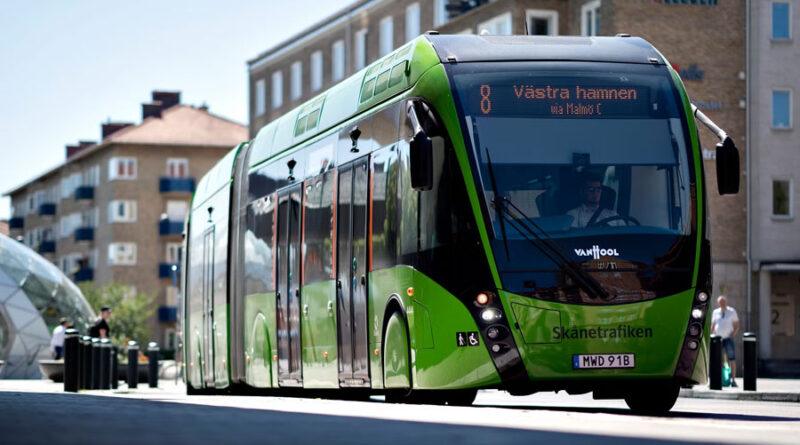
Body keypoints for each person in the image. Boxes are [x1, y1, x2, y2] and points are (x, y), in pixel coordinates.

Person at [711, 295, 740, 387]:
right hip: (717, 339)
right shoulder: (715, 312)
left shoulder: (732, 311)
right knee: (716, 359)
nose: (722, 303)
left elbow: (736, 325)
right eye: (720, 302)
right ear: (718, 303)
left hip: (728, 338)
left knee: (731, 358)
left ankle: (733, 380)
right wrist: (711, 335)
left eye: (723, 301)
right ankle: (716, 379)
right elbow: (713, 325)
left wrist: (732, 334)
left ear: (726, 302)